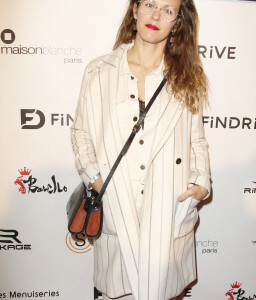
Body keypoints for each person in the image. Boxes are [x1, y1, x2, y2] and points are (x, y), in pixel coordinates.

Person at [70, 0, 211, 299]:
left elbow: (196, 140)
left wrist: (200, 184)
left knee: (162, 290)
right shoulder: (99, 71)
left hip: (167, 209)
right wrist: (98, 182)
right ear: (134, 10)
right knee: (119, 288)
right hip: (117, 204)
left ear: (177, 22)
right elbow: (81, 135)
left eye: (168, 9)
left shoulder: (186, 77)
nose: (156, 15)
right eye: (149, 4)